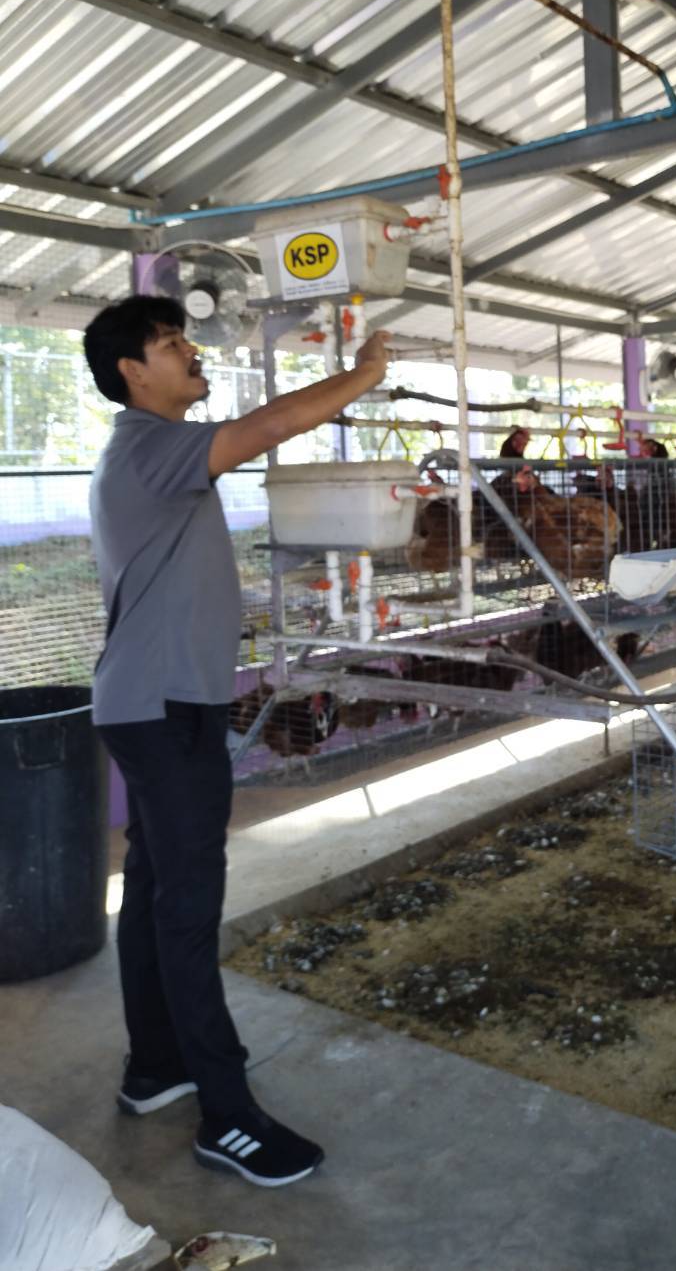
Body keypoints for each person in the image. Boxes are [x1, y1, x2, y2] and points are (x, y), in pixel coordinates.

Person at [82, 294, 391, 1189]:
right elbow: (270, 426)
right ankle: (227, 1115)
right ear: (133, 372)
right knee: (187, 908)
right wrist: (364, 375)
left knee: (154, 890)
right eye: (171, 343)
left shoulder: (152, 452)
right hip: (163, 708)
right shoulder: (149, 445)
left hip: (156, 702)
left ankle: (155, 1066)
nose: (191, 352)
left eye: (187, 338)